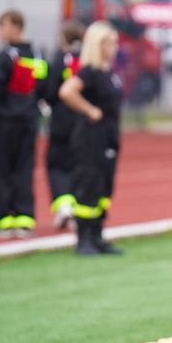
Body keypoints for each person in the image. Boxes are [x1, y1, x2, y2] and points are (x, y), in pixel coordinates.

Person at [59, 20, 124, 256]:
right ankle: (84, 239)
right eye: (110, 43)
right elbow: (67, 91)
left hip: (109, 136)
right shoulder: (89, 71)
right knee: (88, 186)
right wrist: (89, 110)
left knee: (103, 187)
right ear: (98, 44)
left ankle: (97, 236)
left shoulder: (109, 72)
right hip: (90, 137)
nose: (115, 47)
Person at [0, 9, 47, 238]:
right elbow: (42, 86)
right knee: (24, 167)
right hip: (29, 119)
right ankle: (25, 217)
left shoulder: (5, 56)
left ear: (15, 27)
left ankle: (2, 219)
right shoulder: (38, 54)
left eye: (3, 26)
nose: (0, 31)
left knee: (1, 169)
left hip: (6, 120)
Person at [44, 19, 85, 230]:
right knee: (78, 162)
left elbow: (50, 91)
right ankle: (78, 205)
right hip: (82, 119)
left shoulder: (59, 59)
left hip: (61, 119)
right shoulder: (86, 59)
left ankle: (64, 204)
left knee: (56, 163)